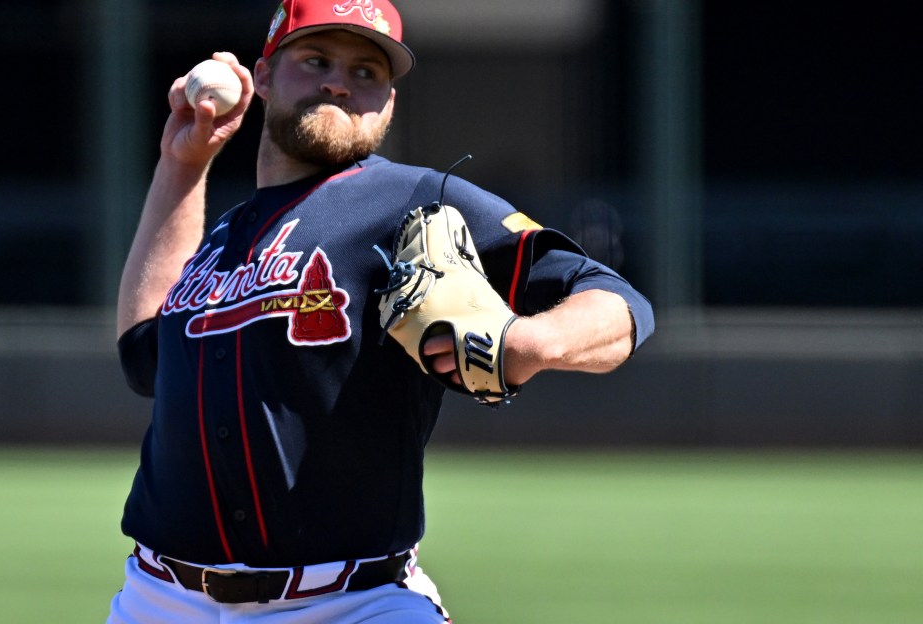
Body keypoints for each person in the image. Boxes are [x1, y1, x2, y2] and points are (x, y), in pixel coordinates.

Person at [107, 0, 655, 621]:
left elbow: (618, 302)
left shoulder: (413, 200)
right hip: (160, 601)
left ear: (389, 104)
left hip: (353, 603)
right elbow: (143, 355)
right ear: (262, 77)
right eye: (315, 60)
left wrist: (529, 343)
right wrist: (183, 164)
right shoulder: (226, 235)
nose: (339, 81)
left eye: (368, 72)